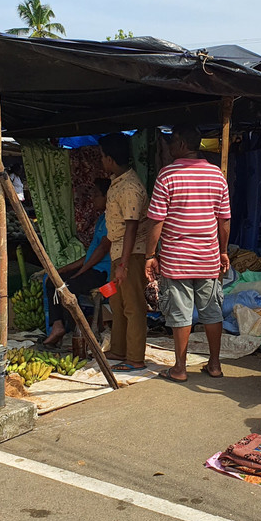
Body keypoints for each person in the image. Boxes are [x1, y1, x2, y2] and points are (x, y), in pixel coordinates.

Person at [145, 124, 231, 383]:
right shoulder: (217, 175)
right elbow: (224, 219)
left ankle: (180, 368)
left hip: (176, 258)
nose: (169, 147)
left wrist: (150, 254)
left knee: (180, 313)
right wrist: (223, 251)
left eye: (172, 142)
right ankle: (214, 364)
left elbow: (156, 220)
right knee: (212, 311)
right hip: (208, 256)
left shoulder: (167, 175)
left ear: (182, 144)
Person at [100, 133, 149, 370]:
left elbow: (131, 226)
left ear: (109, 158)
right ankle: (119, 349)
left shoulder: (129, 186)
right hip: (119, 252)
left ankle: (135, 358)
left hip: (130, 253)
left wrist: (124, 264)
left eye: (102, 157)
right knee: (117, 304)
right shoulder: (117, 182)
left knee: (133, 305)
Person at [44, 178, 111, 347]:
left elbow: (102, 250)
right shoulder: (102, 219)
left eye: (97, 195)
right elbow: (89, 254)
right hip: (91, 268)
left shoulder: (112, 220)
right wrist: (63, 269)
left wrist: (80, 272)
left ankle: (81, 331)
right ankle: (58, 326)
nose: (93, 199)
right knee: (53, 281)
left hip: (101, 273)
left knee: (68, 287)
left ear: (107, 197)